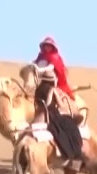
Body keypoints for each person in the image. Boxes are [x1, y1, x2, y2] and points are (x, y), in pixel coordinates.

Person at [30, 38, 83, 167]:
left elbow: (49, 68)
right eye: (46, 46)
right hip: (51, 112)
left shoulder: (54, 59)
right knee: (69, 127)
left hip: (43, 105)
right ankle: (73, 154)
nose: (47, 48)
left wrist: (36, 67)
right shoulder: (52, 89)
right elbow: (54, 104)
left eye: (49, 46)